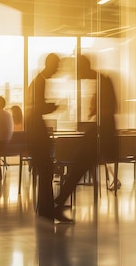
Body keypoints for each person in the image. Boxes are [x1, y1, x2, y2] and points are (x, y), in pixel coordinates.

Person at [52, 55, 118, 219]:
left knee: (77, 169)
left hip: (100, 134)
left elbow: (109, 108)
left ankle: (58, 203)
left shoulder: (102, 81)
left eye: (78, 70)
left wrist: (94, 110)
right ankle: (58, 202)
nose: (77, 75)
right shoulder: (101, 80)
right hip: (100, 133)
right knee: (77, 169)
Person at [26, 53, 61, 221]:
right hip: (37, 133)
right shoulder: (40, 82)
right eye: (56, 65)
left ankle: (46, 208)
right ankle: (47, 208)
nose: (57, 70)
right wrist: (53, 106)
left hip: (35, 132)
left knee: (45, 171)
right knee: (46, 170)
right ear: (50, 65)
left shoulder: (37, 81)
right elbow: (38, 107)